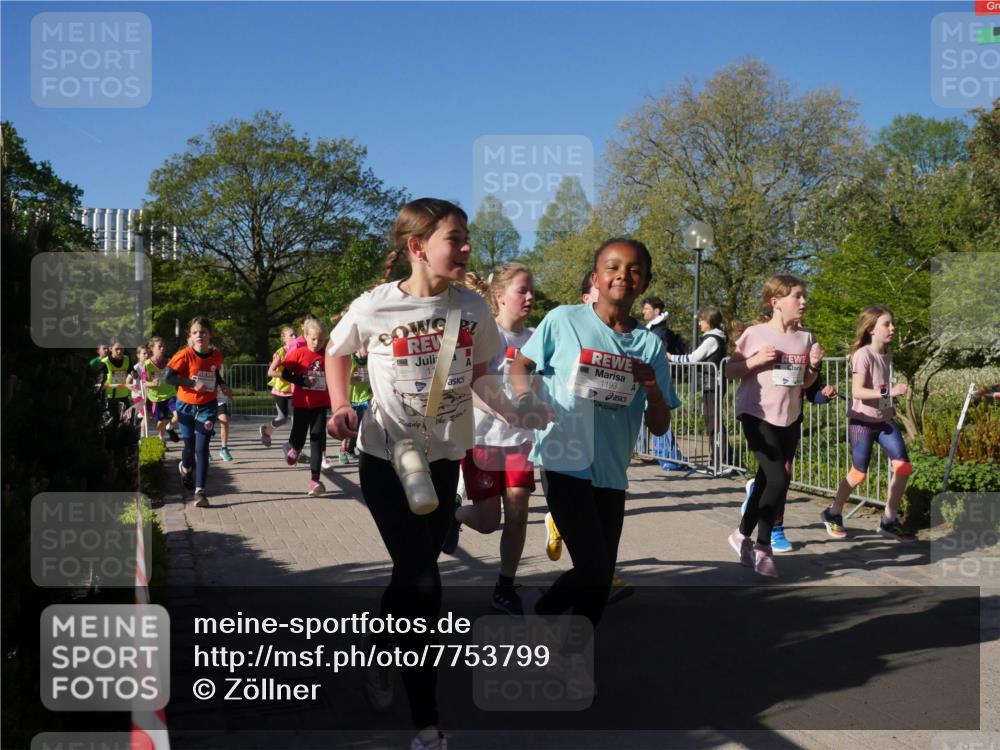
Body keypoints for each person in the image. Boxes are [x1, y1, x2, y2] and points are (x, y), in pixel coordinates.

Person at [325, 198, 537, 750]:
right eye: (456, 239)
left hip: (444, 461)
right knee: (423, 578)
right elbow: (336, 350)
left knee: (410, 575)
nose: (466, 249)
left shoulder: (472, 309)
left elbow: (485, 377)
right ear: (418, 247)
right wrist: (341, 406)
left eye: (467, 238)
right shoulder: (374, 306)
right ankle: (428, 723)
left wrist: (513, 410)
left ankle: (377, 654)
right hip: (385, 460)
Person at [509, 238, 680, 696]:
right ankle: (565, 648)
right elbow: (520, 366)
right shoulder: (564, 320)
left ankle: (545, 618)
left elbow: (661, 427)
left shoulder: (650, 345)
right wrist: (526, 397)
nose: (623, 275)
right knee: (595, 568)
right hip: (563, 456)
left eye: (634, 269)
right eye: (613, 267)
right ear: (596, 276)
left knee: (600, 576)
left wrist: (655, 392)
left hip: (611, 470)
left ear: (646, 280)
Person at [449, 263, 537, 615]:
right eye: (522, 290)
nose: (529, 296)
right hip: (482, 438)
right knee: (488, 523)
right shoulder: (483, 336)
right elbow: (467, 385)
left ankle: (505, 585)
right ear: (499, 296)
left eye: (531, 290)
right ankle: (454, 515)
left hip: (519, 442)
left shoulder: (536, 339)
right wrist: (504, 411)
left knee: (518, 510)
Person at [725, 275, 824, 577]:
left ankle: (740, 535)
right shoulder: (755, 334)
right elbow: (730, 370)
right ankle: (762, 547)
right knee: (778, 479)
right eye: (797, 296)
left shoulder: (806, 338)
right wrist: (754, 361)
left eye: (804, 296)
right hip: (756, 414)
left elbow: (804, 384)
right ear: (776, 303)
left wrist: (814, 367)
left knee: (767, 482)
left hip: (789, 417)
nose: (803, 301)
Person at [821, 305, 916, 542]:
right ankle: (833, 513)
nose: (892, 328)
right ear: (871, 328)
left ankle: (888, 521)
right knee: (859, 474)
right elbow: (857, 391)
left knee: (903, 466)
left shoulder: (887, 353)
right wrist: (890, 392)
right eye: (887, 324)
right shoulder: (863, 354)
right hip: (862, 422)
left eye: (892, 323)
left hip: (884, 420)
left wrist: (887, 400)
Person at [164, 317, 232, 508]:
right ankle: (184, 467)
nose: (199, 336)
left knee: (202, 448)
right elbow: (168, 378)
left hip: (207, 405)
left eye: (203, 332)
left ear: (210, 335)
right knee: (190, 447)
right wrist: (193, 383)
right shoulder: (184, 355)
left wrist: (223, 385)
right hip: (186, 404)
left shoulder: (216, 355)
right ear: (190, 336)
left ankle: (200, 491)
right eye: (195, 333)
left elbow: (215, 372)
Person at [669, 306, 727, 464]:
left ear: (709, 321)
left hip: (713, 383)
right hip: (712, 383)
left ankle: (721, 459)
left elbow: (694, 358)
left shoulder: (711, 339)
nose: (699, 323)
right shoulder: (714, 337)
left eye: (701, 320)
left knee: (713, 420)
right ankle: (717, 458)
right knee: (711, 419)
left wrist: (671, 357)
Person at [281, 318, 331, 496]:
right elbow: (285, 373)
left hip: (320, 405)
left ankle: (314, 481)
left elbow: (334, 376)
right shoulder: (298, 353)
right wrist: (302, 381)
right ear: (306, 337)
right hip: (302, 403)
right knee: (299, 434)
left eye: (320, 340)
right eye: (313, 339)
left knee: (317, 439)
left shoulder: (328, 355)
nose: (317, 343)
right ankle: (293, 448)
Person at [260, 326, 296, 448]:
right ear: (283, 338)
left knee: (296, 418)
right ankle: (266, 432)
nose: (294, 337)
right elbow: (270, 372)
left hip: (294, 390)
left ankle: (294, 445)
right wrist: (284, 375)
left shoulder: (298, 350)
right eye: (291, 335)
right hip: (280, 391)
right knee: (282, 418)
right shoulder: (280, 353)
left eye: (295, 334)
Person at [144, 336, 179, 443]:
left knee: (178, 415)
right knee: (161, 421)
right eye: (159, 346)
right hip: (157, 397)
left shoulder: (169, 362)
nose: (162, 348)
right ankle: (161, 439)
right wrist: (152, 383)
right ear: (152, 348)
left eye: (163, 346)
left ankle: (170, 427)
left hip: (170, 394)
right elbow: (144, 382)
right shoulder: (147, 365)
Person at [340, 347, 371, 463]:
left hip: (365, 397)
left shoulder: (370, 360)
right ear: (358, 347)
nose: (367, 350)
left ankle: (351, 448)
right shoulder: (351, 359)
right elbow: (343, 377)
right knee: (348, 425)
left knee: (360, 426)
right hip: (351, 398)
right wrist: (355, 377)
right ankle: (342, 450)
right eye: (365, 347)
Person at [100, 341, 132, 421]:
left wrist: (133, 375)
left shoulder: (126, 359)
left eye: (121, 349)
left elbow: (132, 372)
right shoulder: (105, 362)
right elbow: (100, 380)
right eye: (117, 349)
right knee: (113, 421)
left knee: (127, 421)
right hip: (110, 397)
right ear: (110, 348)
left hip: (124, 396)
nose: (119, 351)